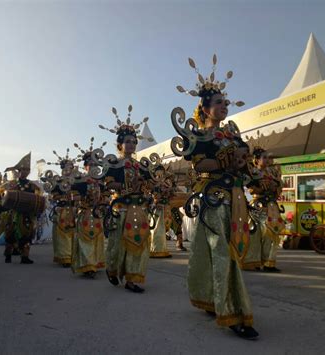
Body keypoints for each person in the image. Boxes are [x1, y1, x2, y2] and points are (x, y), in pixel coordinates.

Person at [170, 55, 258, 339]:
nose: (224, 106)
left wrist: (245, 164)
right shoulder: (199, 138)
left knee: (221, 254)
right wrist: (226, 163)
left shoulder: (233, 136)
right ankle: (233, 311)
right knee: (222, 254)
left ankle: (213, 298)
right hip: (213, 201)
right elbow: (199, 166)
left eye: (225, 102)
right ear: (205, 108)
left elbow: (246, 163)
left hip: (235, 201)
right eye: (219, 102)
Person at [93, 105, 160, 293]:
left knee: (138, 242)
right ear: (120, 144)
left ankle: (132, 278)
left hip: (138, 210)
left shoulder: (141, 166)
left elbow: (151, 183)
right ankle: (113, 270)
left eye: (134, 141)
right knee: (117, 244)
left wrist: (149, 187)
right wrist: (126, 187)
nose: (131, 144)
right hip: (120, 209)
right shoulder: (114, 164)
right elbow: (108, 183)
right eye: (128, 141)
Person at [242, 147, 284, 272]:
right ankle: (252, 261)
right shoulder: (253, 172)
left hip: (271, 206)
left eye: (267, 157)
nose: (266, 160)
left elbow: (278, 188)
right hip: (257, 205)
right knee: (255, 234)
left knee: (272, 233)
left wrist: (274, 187)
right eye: (264, 158)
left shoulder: (272, 172)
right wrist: (261, 189)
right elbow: (251, 189)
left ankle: (268, 262)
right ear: (256, 160)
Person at [70, 138, 107, 278]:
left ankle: (95, 263)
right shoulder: (79, 181)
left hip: (97, 215)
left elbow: (106, 198)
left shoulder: (101, 183)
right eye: (90, 164)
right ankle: (87, 265)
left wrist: (102, 202)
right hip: (85, 213)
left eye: (95, 164)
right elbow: (72, 197)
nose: (92, 167)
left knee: (97, 239)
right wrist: (82, 200)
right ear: (85, 166)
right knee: (85, 239)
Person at [0, 153, 40, 264]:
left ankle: (24, 257)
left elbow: (36, 198)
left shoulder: (32, 185)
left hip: (26, 213)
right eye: (23, 170)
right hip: (14, 212)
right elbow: (2, 194)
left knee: (27, 234)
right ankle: (8, 255)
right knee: (10, 233)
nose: (25, 172)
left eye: (27, 170)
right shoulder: (12, 184)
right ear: (19, 171)